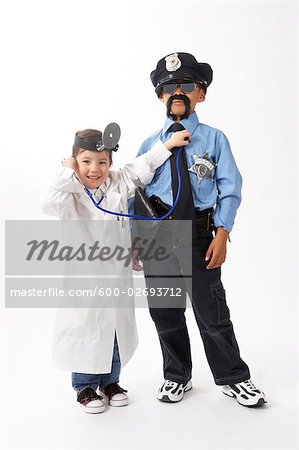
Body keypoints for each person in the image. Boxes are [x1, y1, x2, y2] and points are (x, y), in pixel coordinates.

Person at [132, 52, 267, 407]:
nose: (178, 92)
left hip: (198, 232)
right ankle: (177, 376)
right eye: (169, 87)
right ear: (160, 96)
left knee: (211, 309)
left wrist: (222, 233)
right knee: (165, 309)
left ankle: (233, 377)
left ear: (201, 94)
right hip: (156, 235)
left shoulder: (214, 139)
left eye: (187, 86)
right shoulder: (150, 144)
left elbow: (231, 188)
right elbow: (136, 192)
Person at [41, 126, 190, 413]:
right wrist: (65, 172)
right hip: (84, 279)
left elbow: (144, 164)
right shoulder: (69, 193)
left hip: (116, 276)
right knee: (87, 330)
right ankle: (84, 386)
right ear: (74, 162)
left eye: (102, 162)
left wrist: (169, 144)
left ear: (110, 163)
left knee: (116, 333)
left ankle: (111, 382)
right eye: (85, 162)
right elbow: (46, 202)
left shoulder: (118, 183)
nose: (94, 169)